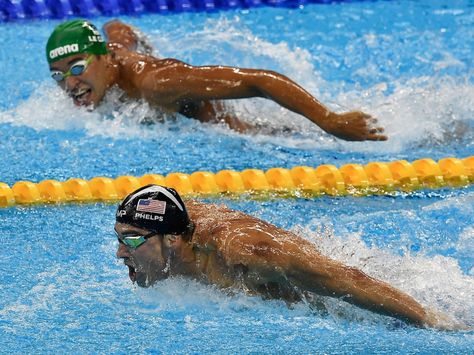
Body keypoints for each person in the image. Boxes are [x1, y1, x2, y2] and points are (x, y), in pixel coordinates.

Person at [115, 184, 458, 330]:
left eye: (130, 242)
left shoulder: (246, 256)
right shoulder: (173, 237)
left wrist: (433, 320)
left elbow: (346, 280)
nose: (119, 254)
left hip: (352, 292)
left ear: (173, 240)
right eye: (118, 240)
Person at [46, 19, 387, 140]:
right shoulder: (112, 51)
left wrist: (329, 120)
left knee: (297, 135)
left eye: (77, 68)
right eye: (58, 75)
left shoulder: (156, 83)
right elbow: (118, 26)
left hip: (246, 135)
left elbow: (260, 81)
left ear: (106, 59)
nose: (70, 84)